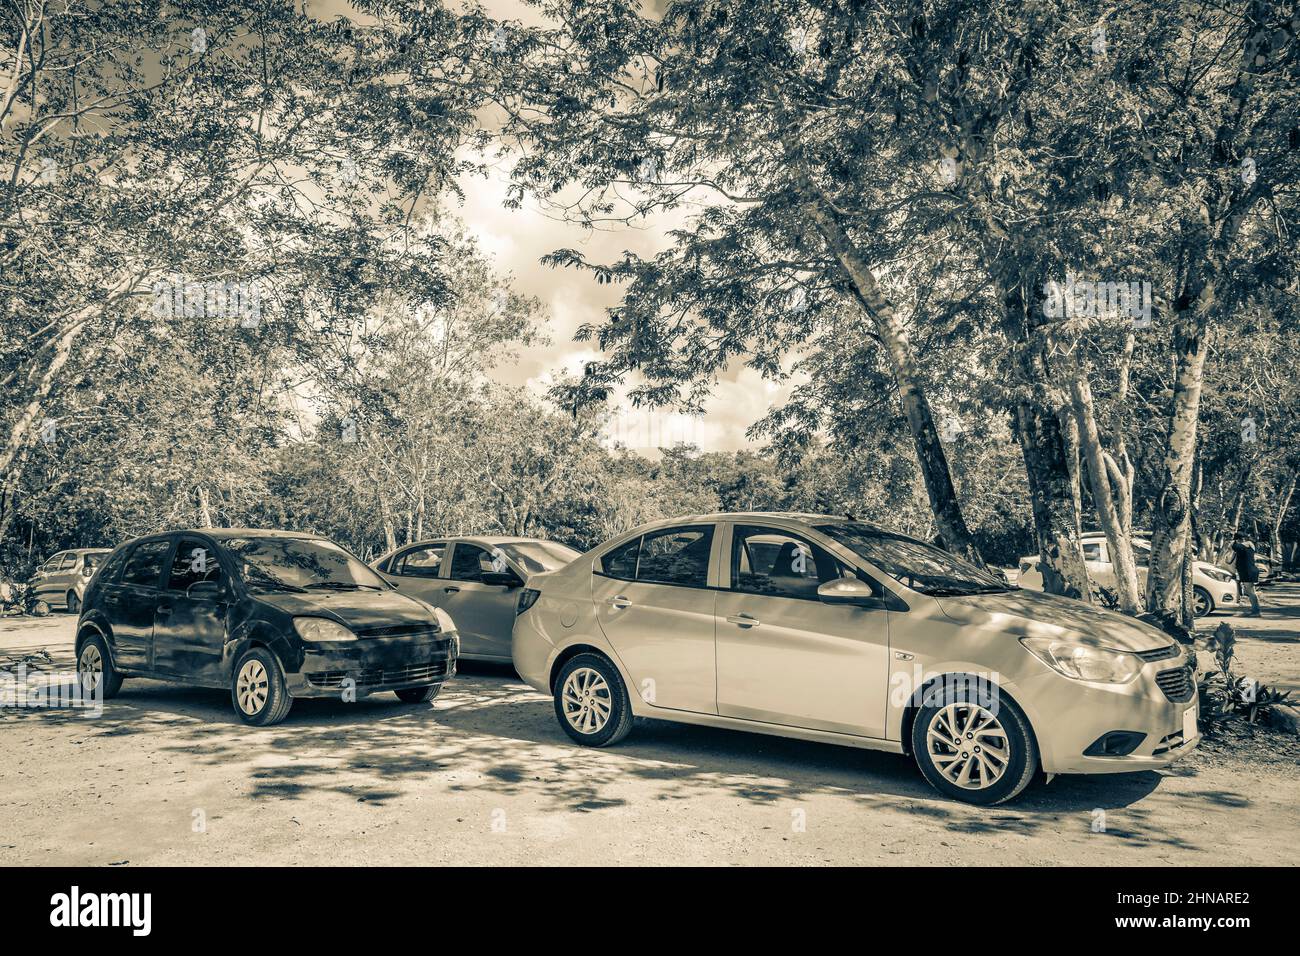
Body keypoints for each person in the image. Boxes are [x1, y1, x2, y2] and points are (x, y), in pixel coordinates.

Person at [1231, 532, 1262, 617]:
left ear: (1240, 539)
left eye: (1237, 539)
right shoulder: (1249, 545)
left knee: (1251, 592)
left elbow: (1234, 546)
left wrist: (1234, 541)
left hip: (1248, 571)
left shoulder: (1243, 546)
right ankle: (1254, 610)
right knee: (1251, 591)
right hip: (1249, 571)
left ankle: (1256, 611)